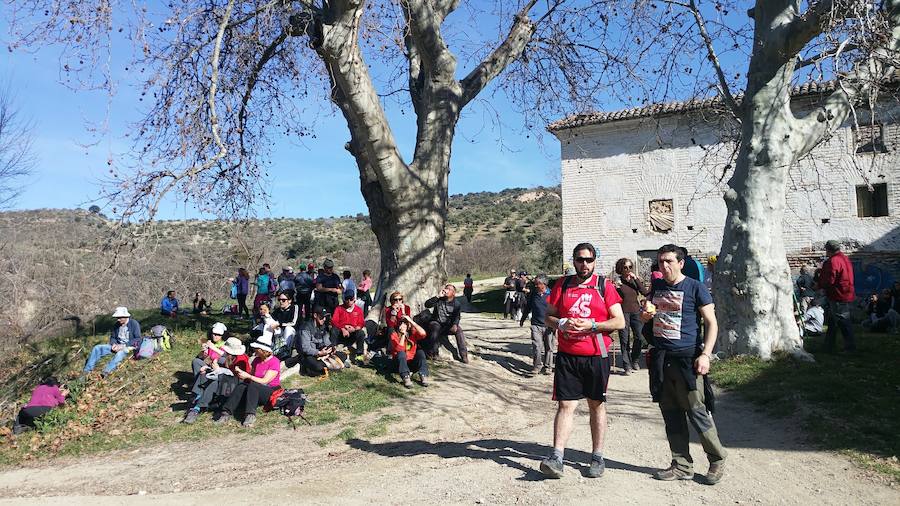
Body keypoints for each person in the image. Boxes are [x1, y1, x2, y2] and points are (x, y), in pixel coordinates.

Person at [640, 243, 727, 485]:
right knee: (671, 414)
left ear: (680, 263)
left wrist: (706, 355)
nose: (664, 266)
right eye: (660, 262)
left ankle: (717, 458)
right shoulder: (656, 286)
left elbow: (712, 323)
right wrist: (644, 315)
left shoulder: (696, 288)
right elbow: (647, 314)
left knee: (697, 412)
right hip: (661, 360)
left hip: (687, 360)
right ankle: (681, 464)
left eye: (669, 261)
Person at [540, 242, 624, 480]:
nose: (584, 264)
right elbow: (548, 316)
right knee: (565, 405)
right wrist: (561, 323)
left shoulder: (604, 286)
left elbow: (619, 322)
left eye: (588, 260)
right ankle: (557, 457)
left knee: (596, 404)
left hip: (596, 355)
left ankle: (597, 455)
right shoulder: (563, 284)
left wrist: (593, 325)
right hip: (568, 355)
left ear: (595, 261)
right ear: (573, 261)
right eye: (579, 259)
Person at [215, 334, 281, 427]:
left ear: (263, 350)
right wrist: (243, 376)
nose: (254, 350)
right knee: (242, 386)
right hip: (255, 389)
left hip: (271, 391)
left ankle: (250, 415)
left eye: (256, 348)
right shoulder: (256, 360)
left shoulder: (274, 361)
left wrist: (248, 376)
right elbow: (252, 376)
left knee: (253, 385)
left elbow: (265, 381)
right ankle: (226, 412)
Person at [183, 337, 250, 424]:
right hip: (227, 379)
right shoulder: (231, 357)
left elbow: (235, 377)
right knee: (204, 373)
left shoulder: (241, 360)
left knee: (213, 382)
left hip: (236, 384)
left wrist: (217, 370)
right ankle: (197, 400)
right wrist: (210, 368)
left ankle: (196, 408)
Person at [284, 305, 348, 376]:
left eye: (325, 317)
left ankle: (325, 367)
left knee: (344, 355)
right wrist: (319, 353)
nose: (324, 319)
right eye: (321, 317)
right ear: (315, 315)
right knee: (319, 367)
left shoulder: (323, 326)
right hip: (309, 354)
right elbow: (306, 349)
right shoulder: (306, 328)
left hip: (321, 352)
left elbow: (326, 341)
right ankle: (307, 366)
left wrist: (331, 347)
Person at [818, 240, 856, 352]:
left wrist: (819, 285)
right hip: (846, 292)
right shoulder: (845, 259)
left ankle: (850, 347)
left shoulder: (833, 261)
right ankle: (829, 345)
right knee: (833, 321)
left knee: (843, 320)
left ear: (829, 250)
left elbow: (830, 279)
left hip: (838, 295)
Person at [83, 306, 142, 377]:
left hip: (129, 347)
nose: (118, 320)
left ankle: (106, 372)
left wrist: (124, 345)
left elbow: (138, 339)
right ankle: (87, 371)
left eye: (120, 318)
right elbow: (113, 337)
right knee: (97, 348)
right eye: (117, 318)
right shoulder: (116, 325)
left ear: (125, 316)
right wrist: (114, 344)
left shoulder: (134, 324)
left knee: (120, 353)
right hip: (117, 345)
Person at [614, 257, 649, 374]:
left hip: (635, 311)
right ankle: (626, 365)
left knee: (639, 337)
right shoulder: (618, 282)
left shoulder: (635, 280)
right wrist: (616, 287)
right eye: (625, 267)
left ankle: (635, 360)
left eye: (630, 267)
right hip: (623, 312)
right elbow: (614, 297)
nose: (628, 269)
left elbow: (645, 293)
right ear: (620, 269)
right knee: (624, 340)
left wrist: (636, 280)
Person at [424, 284, 469, 363]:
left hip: (447, 327)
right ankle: (433, 354)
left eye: (449, 289)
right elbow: (427, 305)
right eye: (446, 288)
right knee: (435, 326)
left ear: (453, 293)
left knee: (459, 330)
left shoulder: (456, 304)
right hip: (436, 323)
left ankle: (464, 355)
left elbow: (457, 317)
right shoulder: (439, 299)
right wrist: (438, 296)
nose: (446, 290)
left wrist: (455, 324)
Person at [520, 273, 554, 376]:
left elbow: (557, 310)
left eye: (537, 284)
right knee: (536, 346)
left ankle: (548, 367)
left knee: (549, 347)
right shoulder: (533, 294)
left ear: (544, 284)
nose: (535, 285)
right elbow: (528, 307)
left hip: (549, 325)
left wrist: (556, 324)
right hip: (536, 324)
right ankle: (536, 366)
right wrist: (522, 319)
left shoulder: (552, 295)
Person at [389, 313, 430, 388]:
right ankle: (406, 377)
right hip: (399, 363)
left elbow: (423, 334)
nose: (403, 324)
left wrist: (411, 321)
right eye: (401, 322)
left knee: (420, 352)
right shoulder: (394, 334)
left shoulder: (413, 333)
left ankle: (423, 375)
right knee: (401, 354)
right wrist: (403, 335)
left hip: (411, 363)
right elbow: (399, 350)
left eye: (405, 323)